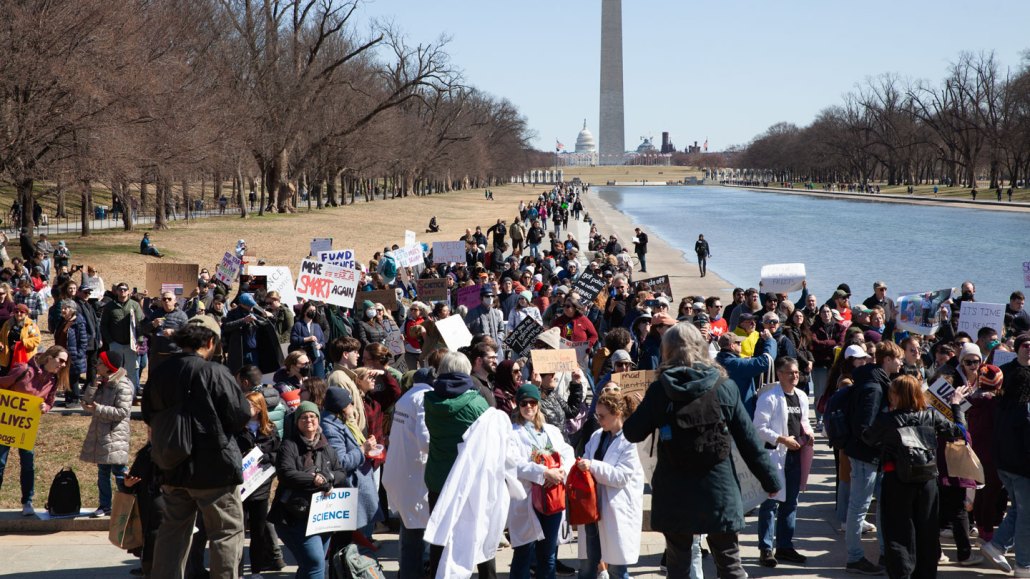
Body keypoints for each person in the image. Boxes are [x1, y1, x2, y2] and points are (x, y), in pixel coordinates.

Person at [624, 323, 780, 579]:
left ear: (667, 351)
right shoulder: (724, 386)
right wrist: (770, 479)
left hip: (675, 491)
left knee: (679, 566)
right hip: (719, 490)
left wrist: (644, 407)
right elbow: (749, 440)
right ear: (702, 348)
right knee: (730, 564)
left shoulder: (660, 389)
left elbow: (632, 433)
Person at [141, 321, 252, 579]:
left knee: (172, 532)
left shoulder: (160, 372)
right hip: (215, 469)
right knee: (226, 532)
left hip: (172, 464)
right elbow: (240, 414)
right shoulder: (215, 371)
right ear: (211, 342)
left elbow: (148, 414)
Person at [860, 375, 969, 579]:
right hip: (927, 481)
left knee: (898, 533)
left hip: (897, 480)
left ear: (896, 396)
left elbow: (868, 438)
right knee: (927, 532)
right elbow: (959, 432)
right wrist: (956, 405)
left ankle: (902, 573)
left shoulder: (888, 420)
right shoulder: (931, 416)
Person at [423, 352, 498, 578]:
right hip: (469, 482)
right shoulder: (477, 403)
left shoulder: (429, 400)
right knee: (480, 534)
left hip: (438, 478)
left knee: (440, 536)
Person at [842, 340, 905, 575]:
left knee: (882, 508)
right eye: (898, 358)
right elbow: (864, 427)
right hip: (866, 457)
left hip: (873, 457)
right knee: (859, 507)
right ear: (887, 360)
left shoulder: (876, 381)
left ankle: (884, 554)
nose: (900, 363)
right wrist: (880, 442)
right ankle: (855, 558)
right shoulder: (874, 387)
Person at [268, 401, 350, 579]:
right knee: (315, 563)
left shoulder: (325, 446)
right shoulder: (289, 446)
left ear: (318, 420)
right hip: (295, 516)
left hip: (323, 517)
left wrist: (328, 478)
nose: (309, 420)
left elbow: (341, 472)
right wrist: (315, 479)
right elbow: (286, 473)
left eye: (312, 416)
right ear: (297, 422)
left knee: (310, 565)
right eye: (304, 417)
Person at [577, 388, 645, 579]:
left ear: (617, 414)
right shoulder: (597, 435)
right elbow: (587, 458)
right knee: (588, 565)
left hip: (616, 510)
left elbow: (621, 477)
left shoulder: (631, 440)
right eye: (597, 415)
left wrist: (591, 466)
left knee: (617, 570)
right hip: (592, 508)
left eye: (602, 416)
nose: (599, 420)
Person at [508, 383, 575, 579]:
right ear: (517, 405)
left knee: (548, 555)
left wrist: (562, 471)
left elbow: (567, 452)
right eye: (524, 403)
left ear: (538, 404)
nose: (529, 406)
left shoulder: (551, 430)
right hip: (527, 498)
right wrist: (544, 473)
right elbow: (514, 463)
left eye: (533, 402)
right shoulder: (512, 433)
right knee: (524, 553)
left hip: (552, 497)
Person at [753, 357, 812, 567]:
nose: (795, 376)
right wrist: (781, 439)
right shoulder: (769, 398)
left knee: (791, 503)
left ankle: (785, 546)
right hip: (775, 457)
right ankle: (766, 549)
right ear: (779, 374)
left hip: (796, 457)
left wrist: (809, 434)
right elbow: (758, 428)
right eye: (790, 373)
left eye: (796, 372)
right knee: (770, 504)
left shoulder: (802, 396)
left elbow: (803, 421)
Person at [981, 333, 1030, 575]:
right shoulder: (1021, 409)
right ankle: (1023, 564)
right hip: (1019, 464)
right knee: (1026, 516)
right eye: (1026, 346)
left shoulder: (1003, 402)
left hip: (1005, 460)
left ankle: (998, 545)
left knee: (1021, 509)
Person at [0, 346, 68, 515]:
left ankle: (27, 502)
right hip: (7, 423)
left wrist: (46, 407)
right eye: (60, 360)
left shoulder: (53, 381)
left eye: (65, 362)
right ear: (49, 357)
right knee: (0, 463)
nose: (63, 364)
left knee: (28, 464)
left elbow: (50, 401)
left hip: (26, 428)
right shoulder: (23, 370)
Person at [383, 367, 435, 579]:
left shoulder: (406, 398)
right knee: (416, 534)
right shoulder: (424, 398)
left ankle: (405, 572)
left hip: (401, 473)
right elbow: (425, 440)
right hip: (415, 476)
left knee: (408, 531)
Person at [235, 391, 284, 575]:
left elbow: (280, 453)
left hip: (261, 488)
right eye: (245, 404)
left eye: (252, 405)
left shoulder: (269, 429)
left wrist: (268, 457)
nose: (248, 408)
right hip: (240, 488)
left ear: (260, 407)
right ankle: (237, 572)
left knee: (259, 533)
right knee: (237, 533)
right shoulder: (237, 428)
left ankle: (256, 570)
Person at [79, 350, 133, 517]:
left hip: (115, 435)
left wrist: (98, 409)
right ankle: (105, 505)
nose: (97, 365)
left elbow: (122, 411)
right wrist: (93, 384)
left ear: (109, 366)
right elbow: (87, 401)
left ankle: (126, 506)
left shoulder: (122, 385)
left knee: (119, 473)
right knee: (102, 472)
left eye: (100, 363)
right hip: (102, 434)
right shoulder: (103, 382)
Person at [100, 282, 144, 395]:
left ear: (128, 291)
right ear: (117, 291)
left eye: (125, 289)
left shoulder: (135, 305)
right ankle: (113, 393)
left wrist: (139, 340)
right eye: (120, 289)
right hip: (115, 343)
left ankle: (131, 394)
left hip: (131, 344)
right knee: (114, 369)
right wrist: (110, 341)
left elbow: (140, 324)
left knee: (131, 370)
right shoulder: (110, 306)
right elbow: (103, 325)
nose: (123, 291)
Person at [145, 291, 189, 371]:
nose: (166, 301)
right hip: (156, 355)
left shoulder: (182, 315)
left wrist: (174, 332)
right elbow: (145, 329)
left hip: (174, 355)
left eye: (169, 299)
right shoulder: (156, 313)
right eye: (164, 299)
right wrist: (153, 324)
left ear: (175, 301)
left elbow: (186, 334)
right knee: (155, 380)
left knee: (172, 381)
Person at [0, 303, 42, 374]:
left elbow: (36, 340)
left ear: (26, 314)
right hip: (8, 356)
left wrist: (19, 344)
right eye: (16, 312)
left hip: (24, 357)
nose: (19, 314)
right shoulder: (7, 324)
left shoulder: (31, 325)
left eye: (22, 312)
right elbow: (1, 336)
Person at [290, 302, 327, 378]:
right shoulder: (298, 325)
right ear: (304, 311)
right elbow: (293, 339)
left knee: (320, 381)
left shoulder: (317, 326)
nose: (312, 312)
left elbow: (323, 341)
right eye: (310, 310)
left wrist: (320, 345)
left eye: (314, 311)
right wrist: (307, 339)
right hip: (304, 360)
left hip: (317, 358)